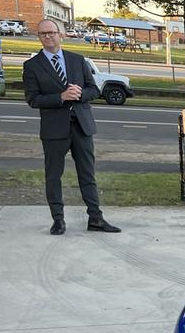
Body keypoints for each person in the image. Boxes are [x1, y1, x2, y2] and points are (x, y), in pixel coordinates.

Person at [22, 19, 120, 234]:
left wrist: (80, 94)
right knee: (53, 176)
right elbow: (33, 100)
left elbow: (94, 90)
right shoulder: (32, 66)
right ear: (39, 37)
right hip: (54, 130)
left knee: (87, 174)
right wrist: (61, 97)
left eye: (51, 32)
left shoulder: (77, 60)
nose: (48, 36)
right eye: (43, 33)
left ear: (61, 34)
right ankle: (58, 220)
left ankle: (95, 218)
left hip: (82, 127)